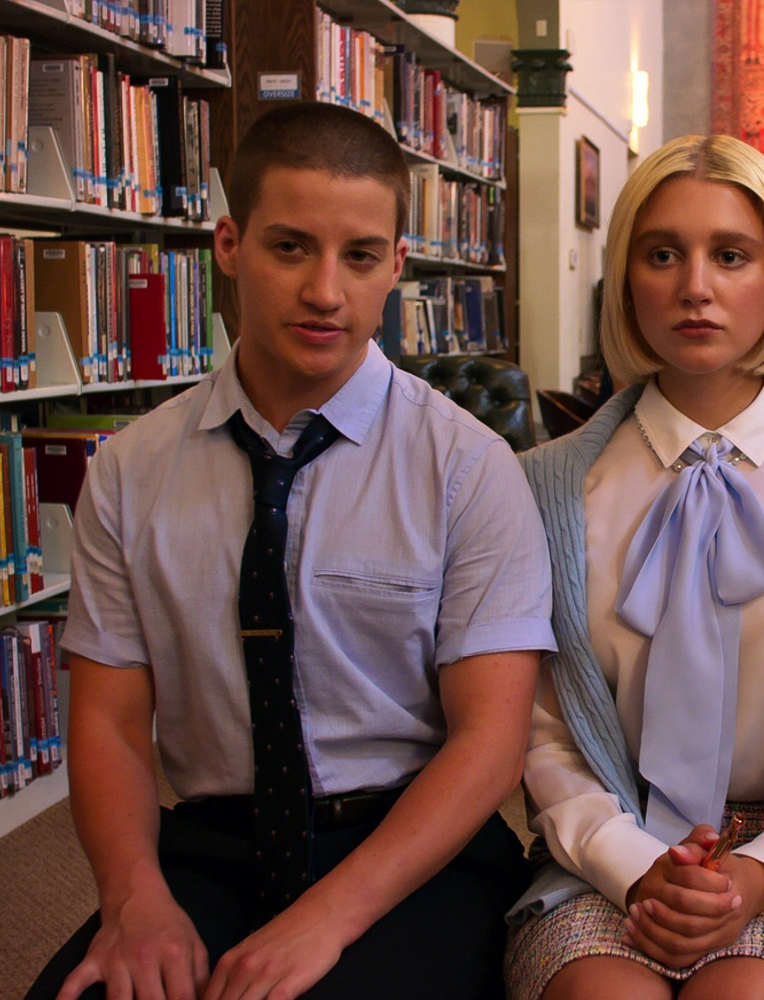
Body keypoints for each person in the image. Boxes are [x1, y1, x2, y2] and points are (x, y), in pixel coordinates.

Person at [27, 102, 555, 1000]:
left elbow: (490, 743)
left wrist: (325, 919)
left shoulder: (468, 468)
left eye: (360, 257)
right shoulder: (130, 470)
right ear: (230, 246)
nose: (324, 292)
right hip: (211, 844)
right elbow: (111, 722)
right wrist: (132, 898)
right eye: (289, 248)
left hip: (410, 847)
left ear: (397, 263)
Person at [505, 134, 764, 1000]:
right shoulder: (547, 486)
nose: (694, 286)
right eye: (662, 255)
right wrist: (633, 865)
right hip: (608, 852)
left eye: (730, 255)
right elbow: (546, 735)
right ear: (625, 279)